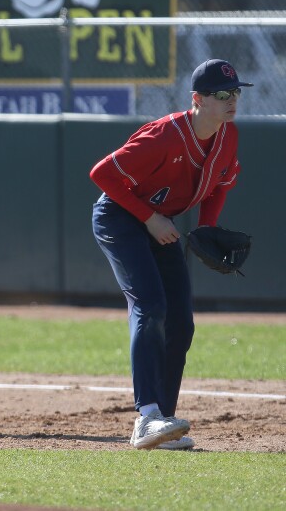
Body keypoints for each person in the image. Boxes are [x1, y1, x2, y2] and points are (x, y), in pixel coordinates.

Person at [89, 58, 249, 451]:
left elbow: (220, 185)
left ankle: (164, 422)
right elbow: (102, 174)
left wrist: (207, 226)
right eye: (222, 94)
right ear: (197, 99)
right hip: (121, 218)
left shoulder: (227, 136)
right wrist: (149, 218)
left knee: (181, 322)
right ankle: (146, 417)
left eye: (236, 93)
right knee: (151, 306)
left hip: (160, 222)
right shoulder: (165, 136)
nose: (232, 101)